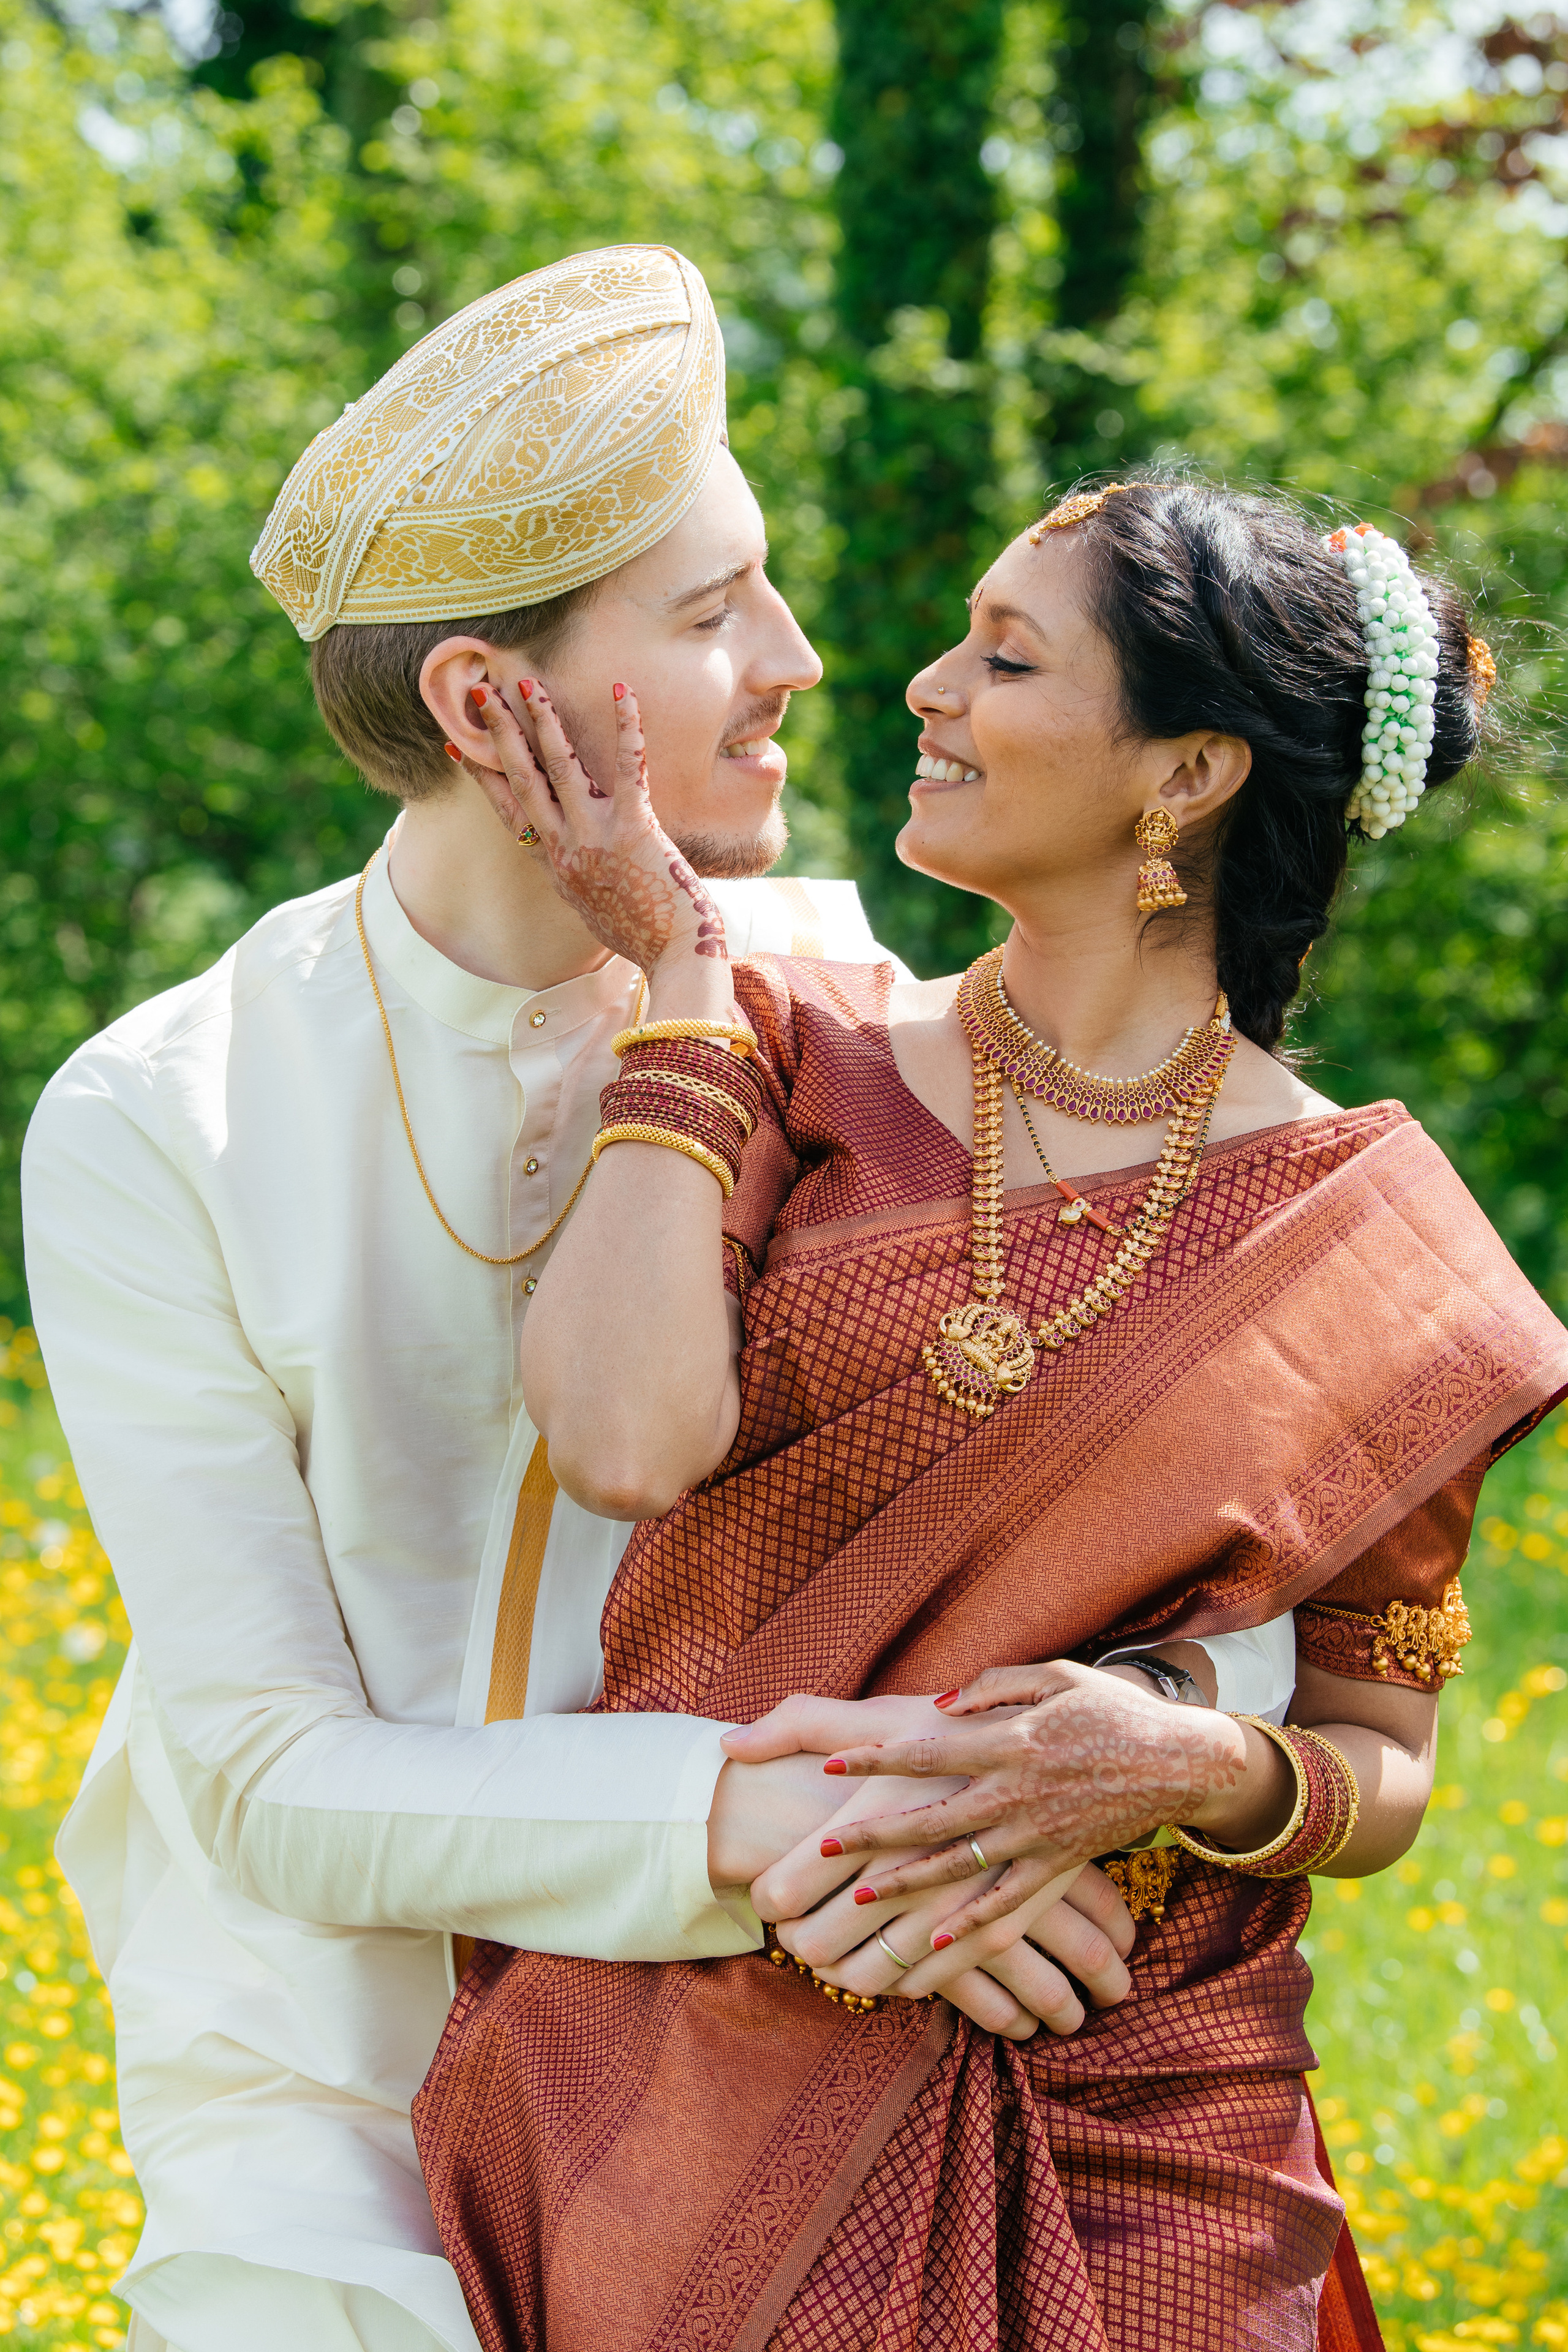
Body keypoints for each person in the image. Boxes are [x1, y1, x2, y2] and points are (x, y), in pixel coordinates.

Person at [23, 248, 1221, 2352]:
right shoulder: (158, 1116)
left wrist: (1107, 1766)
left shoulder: (872, 1023)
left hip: (777, 2039)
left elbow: (1162, 1528)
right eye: (706, 615)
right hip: (311, 2093)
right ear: (496, 706)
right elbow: (267, 1773)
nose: (800, 657)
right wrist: (776, 1820)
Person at [410, 480, 1568, 2351]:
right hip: (693, 2065)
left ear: (1186, 773)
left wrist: (1198, 1769)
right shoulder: (785, 1056)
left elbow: (1386, 1755)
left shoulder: (1383, 1259)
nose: (929, 687)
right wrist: (683, 971)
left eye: (1007, 656)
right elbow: (624, 1444)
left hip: (1138, 2114)